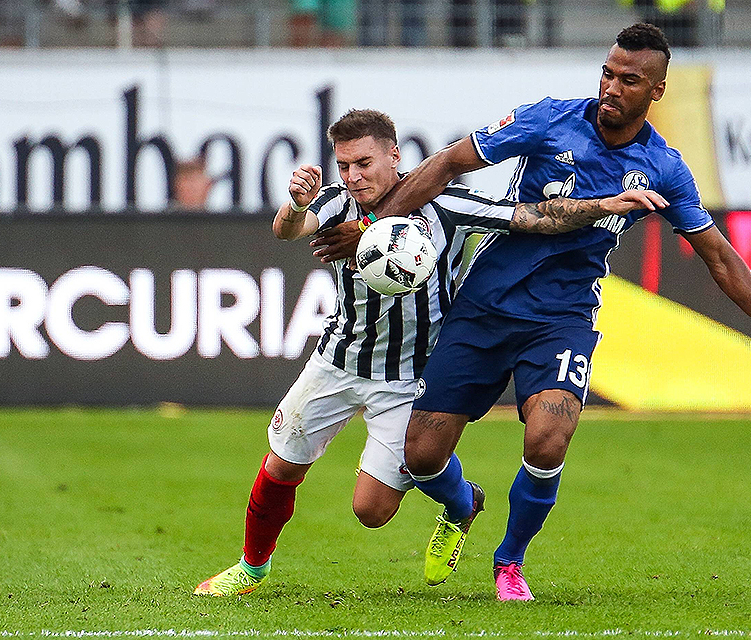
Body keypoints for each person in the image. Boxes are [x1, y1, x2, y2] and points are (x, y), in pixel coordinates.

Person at [313, 23, 751, 602]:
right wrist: (377, 225)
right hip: (484, 306)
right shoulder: (550, 119)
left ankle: (509, 563)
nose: (612, 87)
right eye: (607, 72)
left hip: (563, 318)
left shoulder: (664, 169)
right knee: (421, 454)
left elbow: (718, 256)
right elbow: (449, 162)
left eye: (629, 79)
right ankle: (462, 504)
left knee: (548, 438)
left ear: (657, 90)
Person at [192, 108, 670, 597]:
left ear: (394, 155)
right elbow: (288, 231)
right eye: (345, 166)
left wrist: (607, 203)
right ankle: (251, 569)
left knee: (371, 512)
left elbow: (532, 218)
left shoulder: (444, 204)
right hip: (338, 361)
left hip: (408, 376)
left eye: (364, 163)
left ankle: (463, 504)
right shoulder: (337, 205)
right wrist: (295, 205)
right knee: (281, 465)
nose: (354, 177)